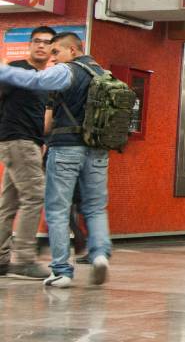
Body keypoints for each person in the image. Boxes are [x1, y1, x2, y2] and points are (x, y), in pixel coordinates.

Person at [0, 32, 113, 287]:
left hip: (66, 148)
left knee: (56, 208)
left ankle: (61, 270)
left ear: (72, 50)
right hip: (97, 151)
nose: (53, 57)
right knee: (95, 208)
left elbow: (33, 80)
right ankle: (99, 256)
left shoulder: (67, 71)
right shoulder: (103, 74)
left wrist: (3, 70)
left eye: (56, 51)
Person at [0, 25, 56, 280]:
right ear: (30, 45)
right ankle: (23, 259)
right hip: (18, 140)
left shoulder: (43, 79)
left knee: (8, 203)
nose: (41, 45)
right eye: (37, 41)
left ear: (52, 49)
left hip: (28, 142)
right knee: (34, 196)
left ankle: (1, 259)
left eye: (46, 42)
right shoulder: (17, 70)